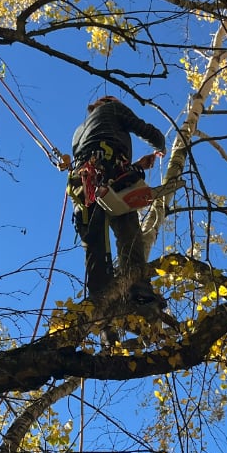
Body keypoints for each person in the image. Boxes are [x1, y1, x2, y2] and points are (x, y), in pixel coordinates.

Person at [68, 96, 166, 307]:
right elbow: (144, 129)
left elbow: (93, 149)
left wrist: (137, 164)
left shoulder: (78, 131)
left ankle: (101, 303)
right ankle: (139, 291)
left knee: (94, 243)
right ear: (108, 102)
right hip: (110, 174)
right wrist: (161, 144)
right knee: (128, 231)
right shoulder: (113, 109)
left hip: (83, 183)